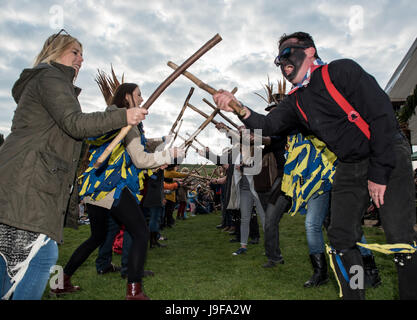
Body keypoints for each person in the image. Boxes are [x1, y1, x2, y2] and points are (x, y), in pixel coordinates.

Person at [213, 31, 417, 299]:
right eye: (278, 59)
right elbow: (268, 125)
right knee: (341, 236)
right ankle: (354, 294)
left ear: (309, 52)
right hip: (349, 164)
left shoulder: (341, 71)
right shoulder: (297, 100)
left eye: (287, 53)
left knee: (399, 235)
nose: (281, 62)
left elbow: (381, 115)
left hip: (387, 152)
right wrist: (237, 107)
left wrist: (379, 173)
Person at [0, 30, 148, 300]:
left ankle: (66, 280)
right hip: (34, 180)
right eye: (75, 52)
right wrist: (124, 115)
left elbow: (80, 131)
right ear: (54, 51)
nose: (81, 59)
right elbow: (75, 124)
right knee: (43, 256)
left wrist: (120, 119)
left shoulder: (51, 83)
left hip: (29, 179)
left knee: (15, 261)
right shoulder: (50, 77)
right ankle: (131, 288)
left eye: (83, 55)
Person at [50, 82, 183, 300]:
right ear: (128, 96)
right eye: (138, 95)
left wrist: (158, 154)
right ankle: (134, 292)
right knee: (140, 231)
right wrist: (169, 155)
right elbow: (140, 159)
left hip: (95, 187)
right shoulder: (122, 119)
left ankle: (60, 281)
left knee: (97, 236)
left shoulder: (117, 119)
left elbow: (135, 155)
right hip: (110, 186)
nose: (141, 99)